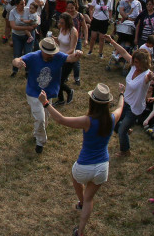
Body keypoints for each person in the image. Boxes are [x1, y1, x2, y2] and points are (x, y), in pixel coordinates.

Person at [38, 83, 123, 236]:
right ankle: (81, 231)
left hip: (84, 166)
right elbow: (120, 108)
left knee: (76, 179)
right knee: (90, 198)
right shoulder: (111, 118)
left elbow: (61, 119)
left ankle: (81, 202)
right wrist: (122, 94)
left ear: (92, 102)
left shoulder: (87, 121)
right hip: (103, 167)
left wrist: (45, 103)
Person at [12, 36, 84, 154]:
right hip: (34, 93)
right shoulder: (34, 56)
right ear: (42, 51)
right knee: (40, 119)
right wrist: (18, 62)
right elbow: (16, 60)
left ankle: (37, 134)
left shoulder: (58, 56)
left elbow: (70, 58)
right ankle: (40, 142)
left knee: (44, 118)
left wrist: (77, 55)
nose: (51, 55)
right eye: (49, 53)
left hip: (48, 94)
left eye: (53, 52)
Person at [103, 34, 154, 157]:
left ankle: (125, 151)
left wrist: (151, 77)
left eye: (136, 62)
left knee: (121, 131)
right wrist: (112, 41)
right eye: (134, 61)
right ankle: (127, 129)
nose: (133, 63)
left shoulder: (146, 75)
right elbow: (123, 51)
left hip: (134, 108)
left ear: (143, 62)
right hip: (125, 102)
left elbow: (149, 78)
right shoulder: (133, 65)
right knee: (114, 122)